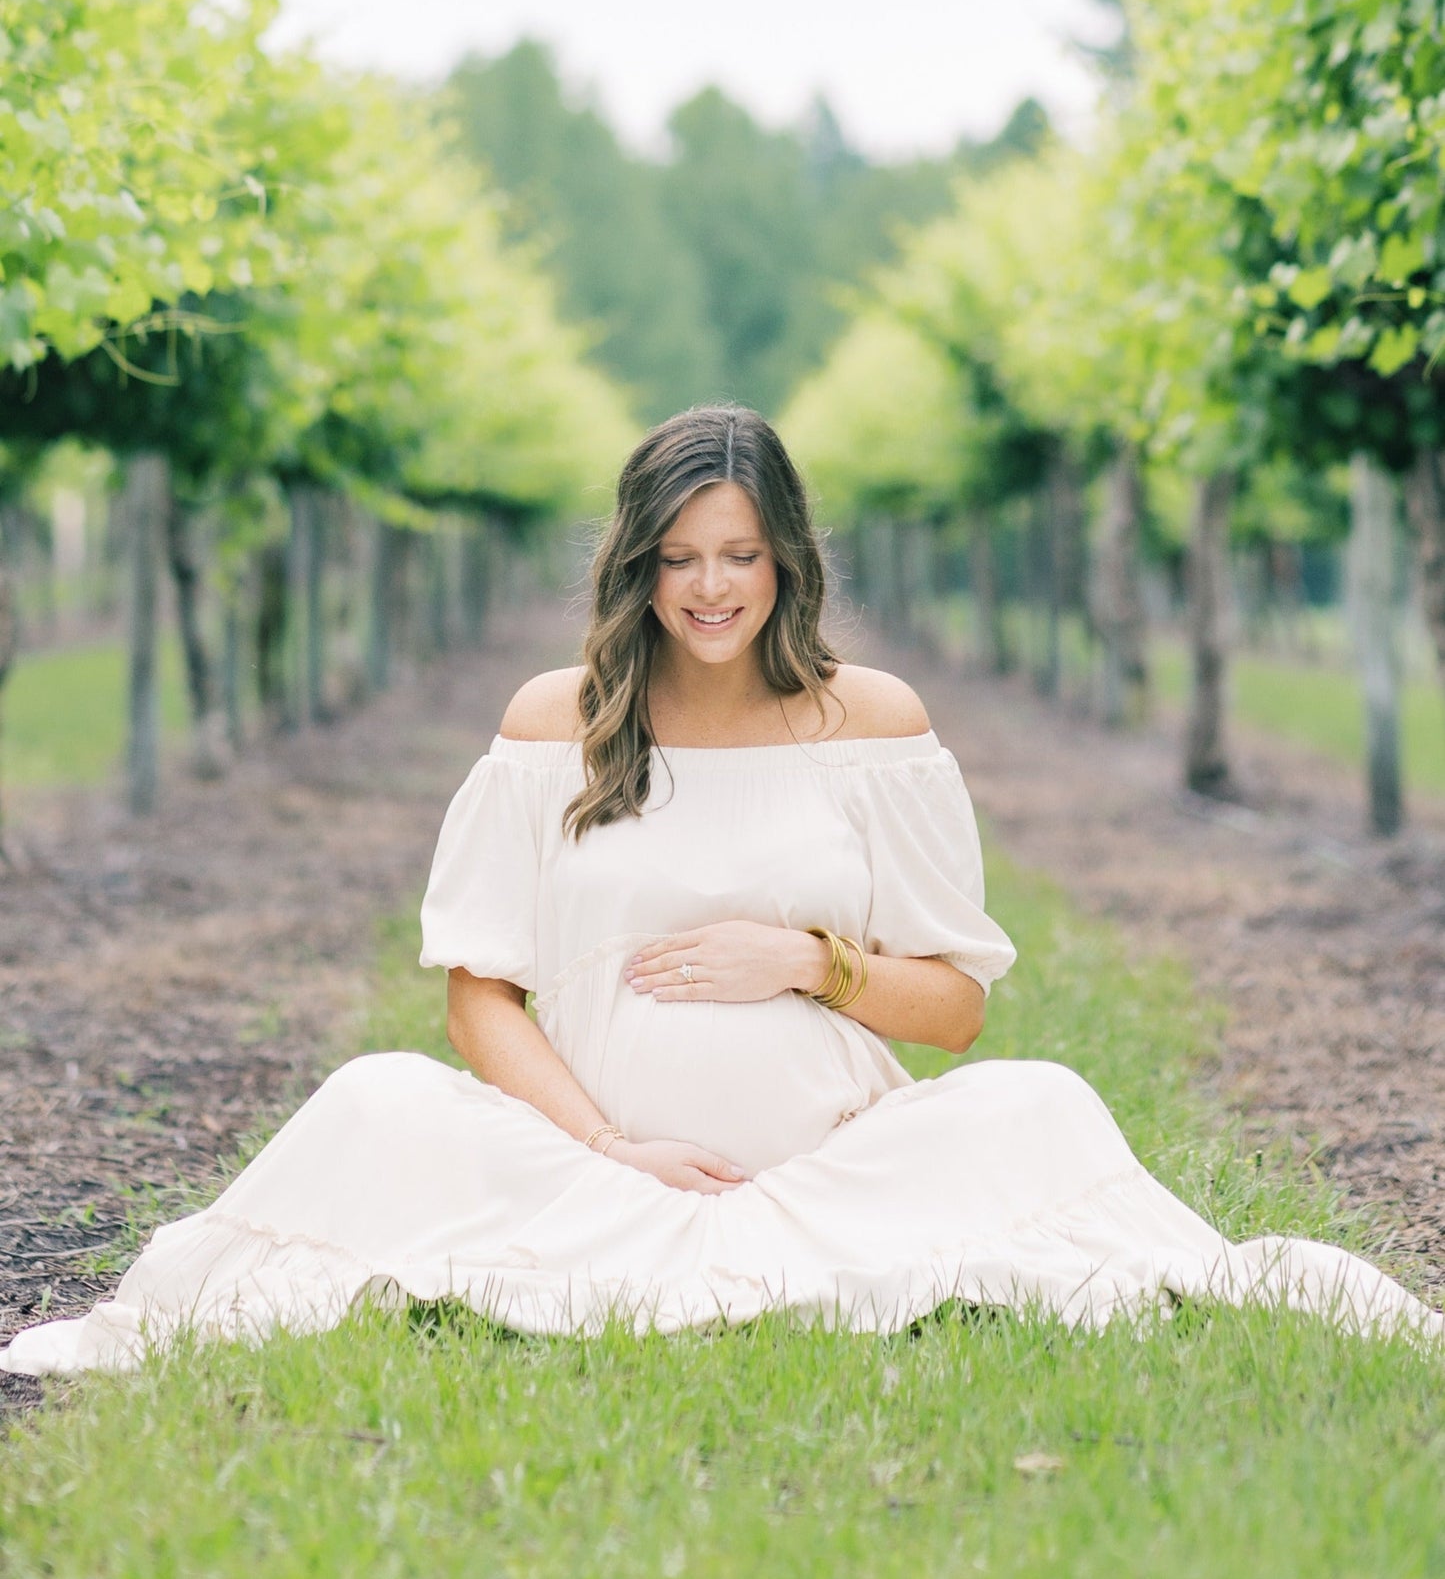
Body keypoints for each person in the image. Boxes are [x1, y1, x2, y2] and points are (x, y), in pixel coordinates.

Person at [3, 406, 1438, 1374]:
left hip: (829, 1164)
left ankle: (766, 1226)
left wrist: (810, 963)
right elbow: (477, 993)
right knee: (373, 1098)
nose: (708, 590)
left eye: (738, 556)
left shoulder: (870, 723)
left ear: (785, 560)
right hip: (581, 1161)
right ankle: (608, 1210)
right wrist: (608, 1145)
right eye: (678, 560)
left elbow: (954, 1014)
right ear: (634, 568)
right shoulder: (543, 724)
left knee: (1044, 1105)